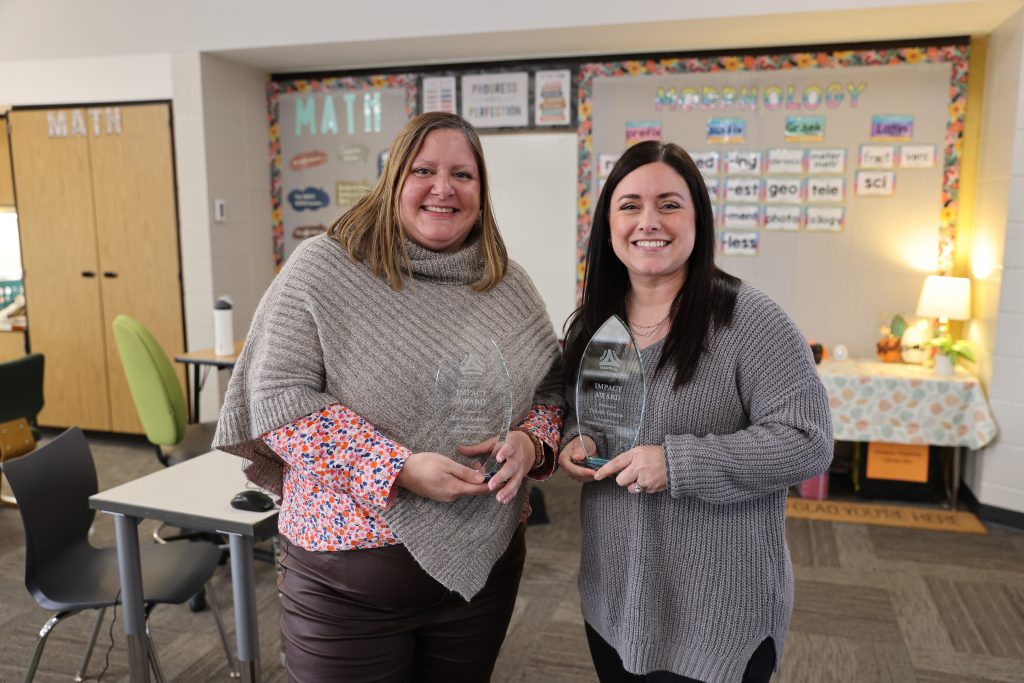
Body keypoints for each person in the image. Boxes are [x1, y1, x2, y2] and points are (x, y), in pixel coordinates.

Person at [214, 111, 564, 682]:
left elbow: (550, 388)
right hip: (345, 586)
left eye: (463, 174)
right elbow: (278, 399)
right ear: (393, 180)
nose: (443, 188)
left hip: (485, 572)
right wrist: (395, 468)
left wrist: (531, 439)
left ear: (482, 191)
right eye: (423, 169)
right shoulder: (324, 268)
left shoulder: (507, 284)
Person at [558, 140, 833, 683]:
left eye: (669, 203)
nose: (648, 221)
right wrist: (577, 438)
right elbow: (581, 410)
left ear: (698, 218)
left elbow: (808, 438)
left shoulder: (750, 320)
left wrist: (677, 464)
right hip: (614, 597)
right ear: (608, 224)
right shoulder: (596, 322)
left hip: (716, 612)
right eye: (630, 205)